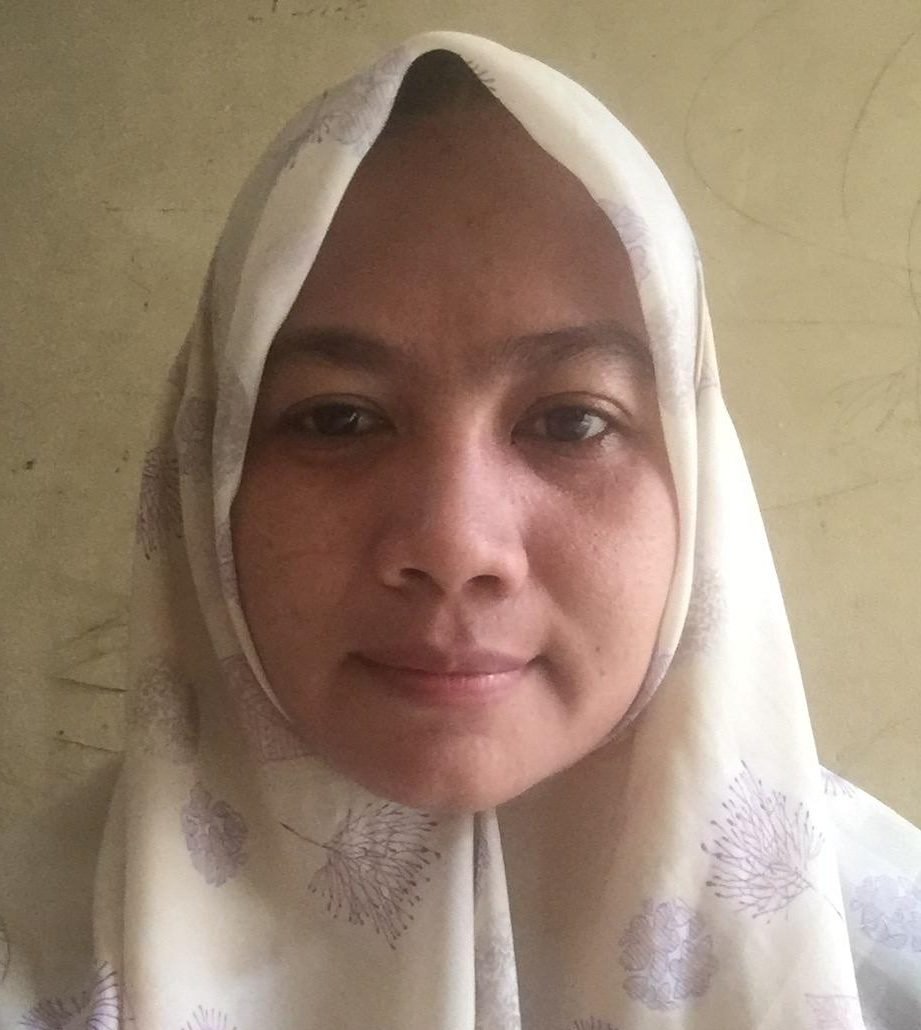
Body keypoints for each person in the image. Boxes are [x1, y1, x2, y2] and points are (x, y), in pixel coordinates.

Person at [2, 30, 919, 1030]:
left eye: (572, 422)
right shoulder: (35, 961)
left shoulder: (883, 960)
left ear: (698, 478)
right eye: (338, 419)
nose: (453, 545)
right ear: (209, 476)